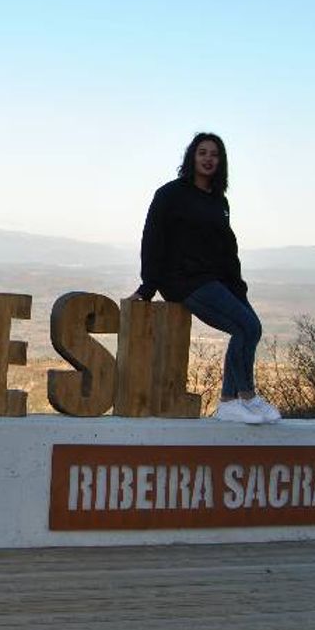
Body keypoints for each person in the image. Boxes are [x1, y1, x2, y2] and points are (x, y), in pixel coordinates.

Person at [130, 132, 281, 424]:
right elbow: (152, 239)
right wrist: (148, 286)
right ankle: (246, 397)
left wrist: (239, 291)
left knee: (249, 329)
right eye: (202, 153)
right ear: (192, 157)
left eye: (214, 154)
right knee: (247, 326)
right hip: (182, 281)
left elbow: (227, 251)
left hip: (215, 281)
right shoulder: (170, 194)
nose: (208, 159)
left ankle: (228, 402)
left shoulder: (218, 201)